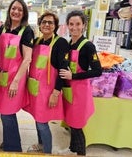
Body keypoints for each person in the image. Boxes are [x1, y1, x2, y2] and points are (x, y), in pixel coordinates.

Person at [24, 11, 69, 154]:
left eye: (51, 22)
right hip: (35, 87)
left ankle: (47, 152)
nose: (47, 25)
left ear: (55, 26)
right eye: (44, 22)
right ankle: (41, 144)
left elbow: (62, 70)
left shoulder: (60, 43)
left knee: (42, 123)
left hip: (48, 90)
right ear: (40, 24)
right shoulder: (37, 41)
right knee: (37, 119)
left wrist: (56, 93)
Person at [58, 10, 102, 155]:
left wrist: (74, 76)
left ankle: (81, 152)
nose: (74, 27)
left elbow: (97, 71)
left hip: (80, 91)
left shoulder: (88, 46)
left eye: (78, 24)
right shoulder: (69, 43)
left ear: (84, 25)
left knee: (77, 125)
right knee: (71, 122)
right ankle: (72, 149)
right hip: (69, 90)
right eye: (71, 24)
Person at [0, 0, 34, 152]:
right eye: (13, 8)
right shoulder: (3, 28)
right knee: (4, 112)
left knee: (7, 112)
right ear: (9, 10)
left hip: (14, 78)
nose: (16, 12)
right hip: (1, 76)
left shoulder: (26, 31)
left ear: (24, 13)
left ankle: (14, 149)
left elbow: (27, 59)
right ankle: (8, 141)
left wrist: (16, 82)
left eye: (20, 10)